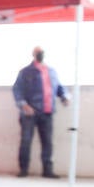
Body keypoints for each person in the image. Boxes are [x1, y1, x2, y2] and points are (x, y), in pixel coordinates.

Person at [13, 46, 70, 178]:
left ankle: (47, 170)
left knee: (47, 142)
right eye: (38, 52)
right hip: (30, 112)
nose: (40, 54)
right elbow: (17, 89)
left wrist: (65, 97)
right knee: (26, 141)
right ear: (33, 54)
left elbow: (59, 87)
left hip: (47, 112)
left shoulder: (51, 71)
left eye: (42, 52)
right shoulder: (26, 72)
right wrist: (23, 105)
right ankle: (23, 169)